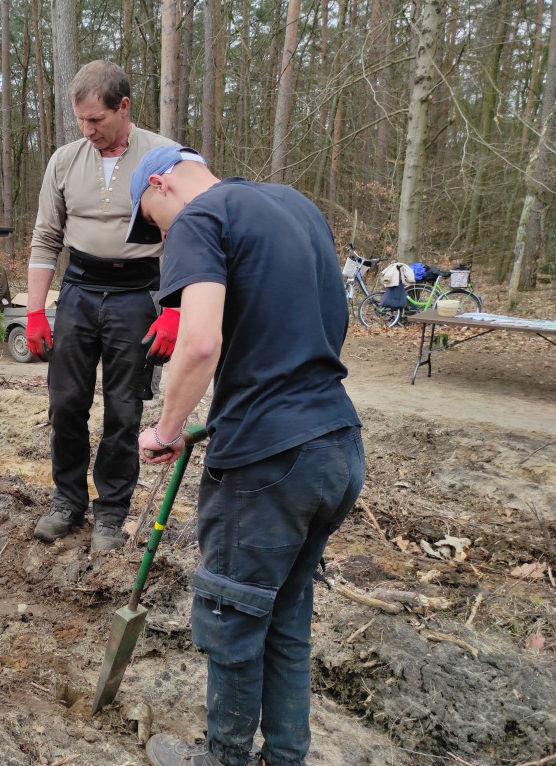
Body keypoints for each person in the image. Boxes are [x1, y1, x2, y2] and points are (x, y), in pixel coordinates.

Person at [128, 146, 365, 766]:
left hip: (266, 463)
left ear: (161, 184)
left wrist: (165, 429)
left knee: (232, 618)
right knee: (285, 617)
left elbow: (201, 342)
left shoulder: (200, 218)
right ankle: (284, 757)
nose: (160, 233)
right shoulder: (295, 206)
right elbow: (319, 322)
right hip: (336, 445)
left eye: (151, 220)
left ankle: (224, 758)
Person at [25, 60, 181, 554]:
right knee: (66, 401)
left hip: (139, 293)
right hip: (79, 289)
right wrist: (34, 310)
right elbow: (46, 237)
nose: (88, 130)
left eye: (97, 120)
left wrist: (175, 308)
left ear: (124, 107)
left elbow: (185, 235)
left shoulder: (163, 156)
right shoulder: (65, 161)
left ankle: (111, 513)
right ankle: (67, 501)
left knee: (124, 407)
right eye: (81, 121)